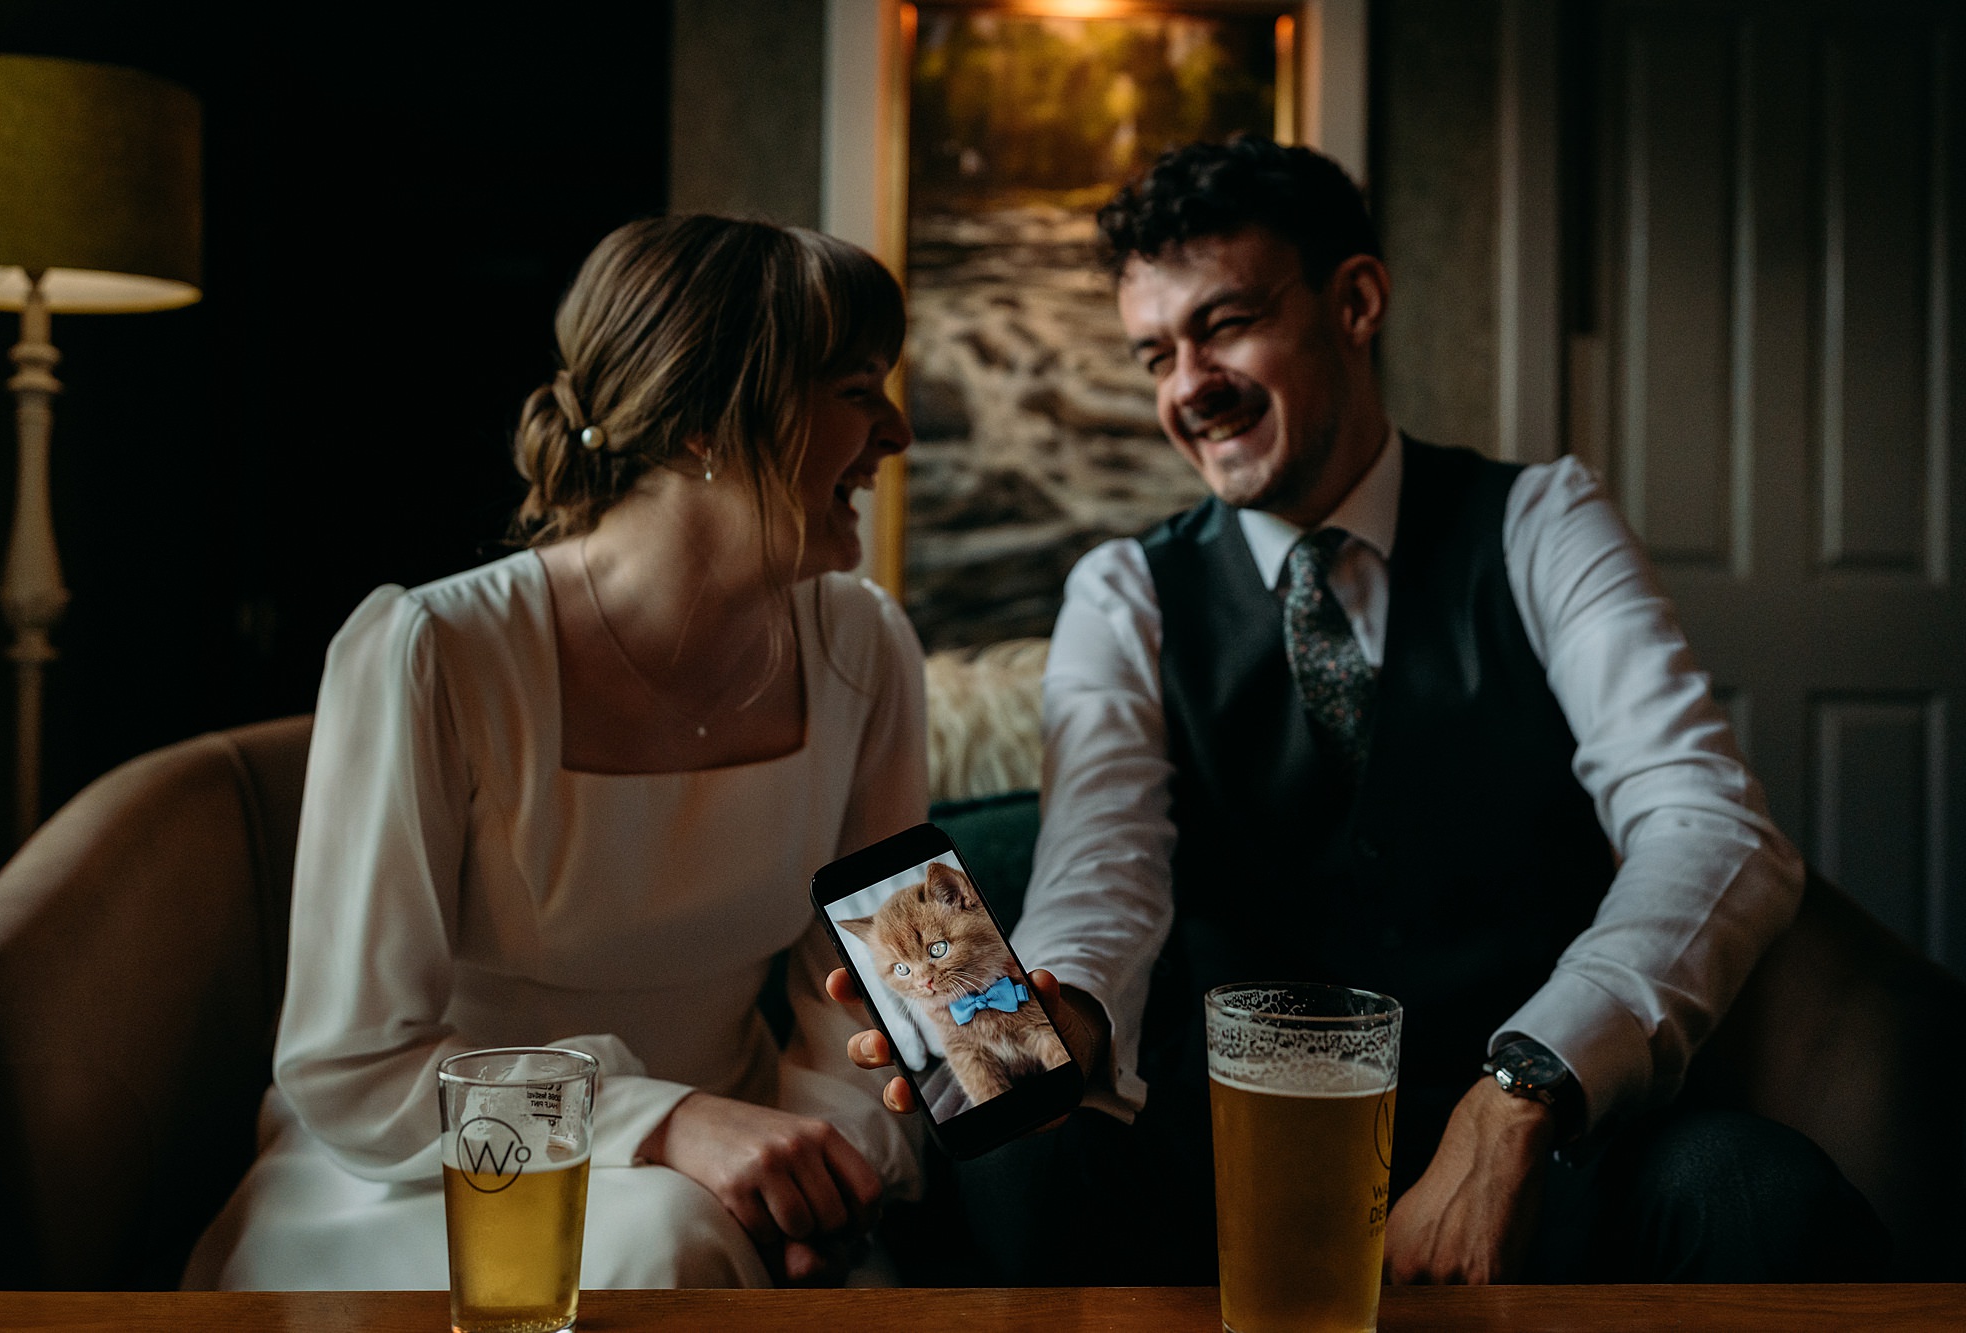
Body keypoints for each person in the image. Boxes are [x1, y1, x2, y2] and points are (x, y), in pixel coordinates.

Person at [832, 136, 1887, 1285]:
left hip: (1537, 1136)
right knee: (1020, 1157)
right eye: (1155, 355)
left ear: (1355, 301)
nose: (1188, 386)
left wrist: (1526, 1083)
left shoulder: (1542, 523)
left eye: (1225, 325)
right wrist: (1066, 1018)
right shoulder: (1121, 591)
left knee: (1755, 1194)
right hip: (1228, 1144)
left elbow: (1705, 823)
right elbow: (1103, 866)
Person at [186, 215, 925, 1291]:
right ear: (704, 424)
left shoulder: (868, 644)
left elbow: (895, 983)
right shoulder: (432, 652)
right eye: (858, 390)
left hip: (745, 1174)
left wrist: (824, 1175)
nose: (897, 429)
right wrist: (667, 1123)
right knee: (662, 1244)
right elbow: (350, 1064)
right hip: (439, 1172)